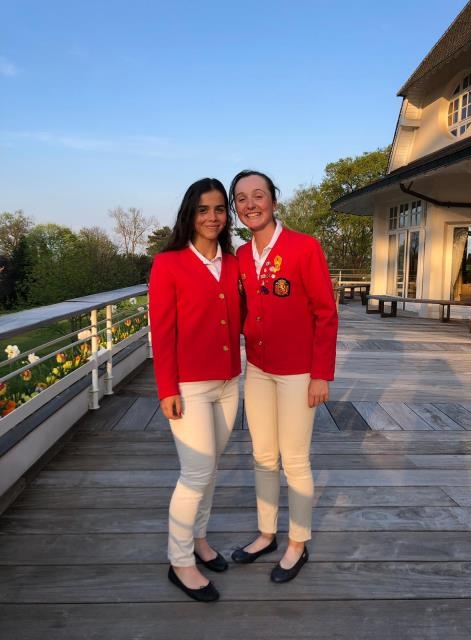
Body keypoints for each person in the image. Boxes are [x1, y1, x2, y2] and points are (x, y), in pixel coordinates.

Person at [229, 170, 338, 583]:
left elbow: (326, 314)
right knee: (262, 455)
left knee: (294, 459)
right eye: (241, 198)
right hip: (257, 369)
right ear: (236, 208)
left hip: (298, 373)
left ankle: (297, 543)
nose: (250, 204)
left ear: (274, 201)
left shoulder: (303, 247)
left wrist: (320, 375)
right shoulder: (239, 255)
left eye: (259, 195)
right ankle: (266, 534)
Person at [149, 178, 241, 602]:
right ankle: (180, 560)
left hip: (229, 381)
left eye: (219, 209)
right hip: (189, 386)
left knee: (213, 467)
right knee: (196, 473)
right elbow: (162, 333)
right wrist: (167, 387)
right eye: (203, 209)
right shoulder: (168, 264)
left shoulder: (234, 262)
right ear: (190, 213)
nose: (212, 217)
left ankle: (200, 540)